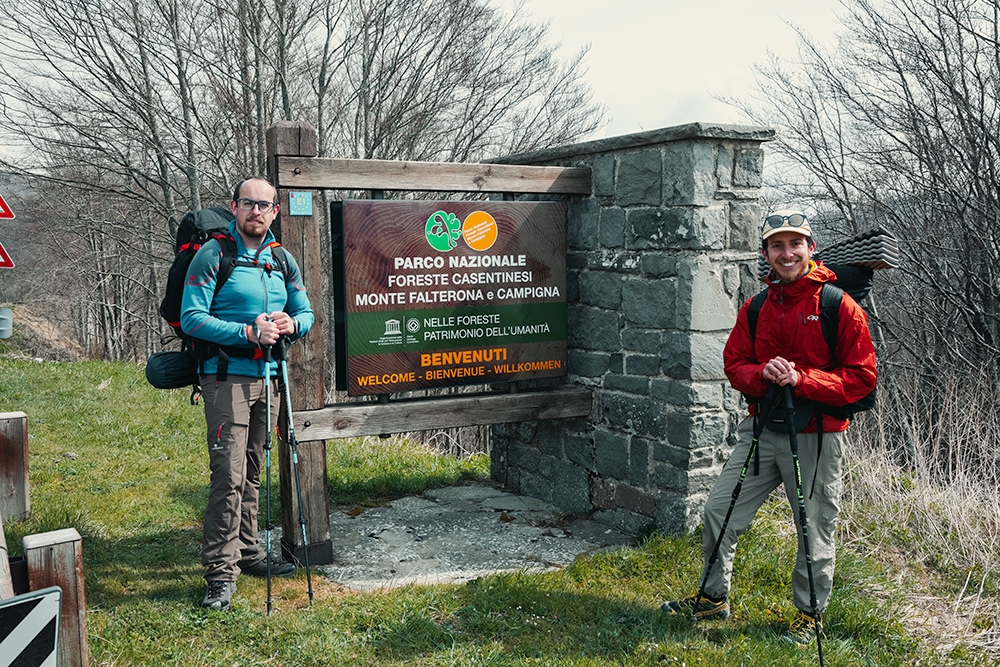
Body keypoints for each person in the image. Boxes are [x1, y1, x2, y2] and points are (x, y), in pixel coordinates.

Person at [661, 209, 877, 645]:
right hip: (762, 430)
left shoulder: (839, 306)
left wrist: (802, 378)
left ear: (810, 249)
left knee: (813, 526)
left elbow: (862, 379)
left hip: (818, 433)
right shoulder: (756, 306)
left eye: (795, 243)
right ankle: (713, 598)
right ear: (766, 254)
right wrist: (762, 374)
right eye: (777, 245)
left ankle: (808, 615)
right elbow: (734, 364)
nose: (787, 252)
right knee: (719, 509)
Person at [181, 176, 315, 611]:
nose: (256, 211)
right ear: (234, 207)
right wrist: (248, 331)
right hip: (226, 379)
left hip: (271, 378)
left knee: (254, 467)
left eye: (264, 205)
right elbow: (192, 318)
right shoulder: (212, 255)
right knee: (228, 476)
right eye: (248, 203)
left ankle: (248, 549)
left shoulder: (282, 259)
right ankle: (220, 574)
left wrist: (294, 325)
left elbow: (306, 310)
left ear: (275, 211)